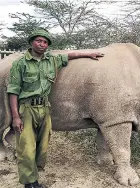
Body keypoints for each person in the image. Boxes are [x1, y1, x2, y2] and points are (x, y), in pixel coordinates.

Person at [7, 29, 104, 188]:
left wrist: (88, 53)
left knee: (41, 147)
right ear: (32, 42)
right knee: (27, 147)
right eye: (39, 41)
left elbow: (70, 55)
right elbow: (13, 90)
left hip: (44, 108)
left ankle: (34, 179)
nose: (42, 44)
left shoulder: (52, 60)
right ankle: (29, 184)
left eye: (45, 42)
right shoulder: (20, 63)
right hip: (27, 109)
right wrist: (16, 116)